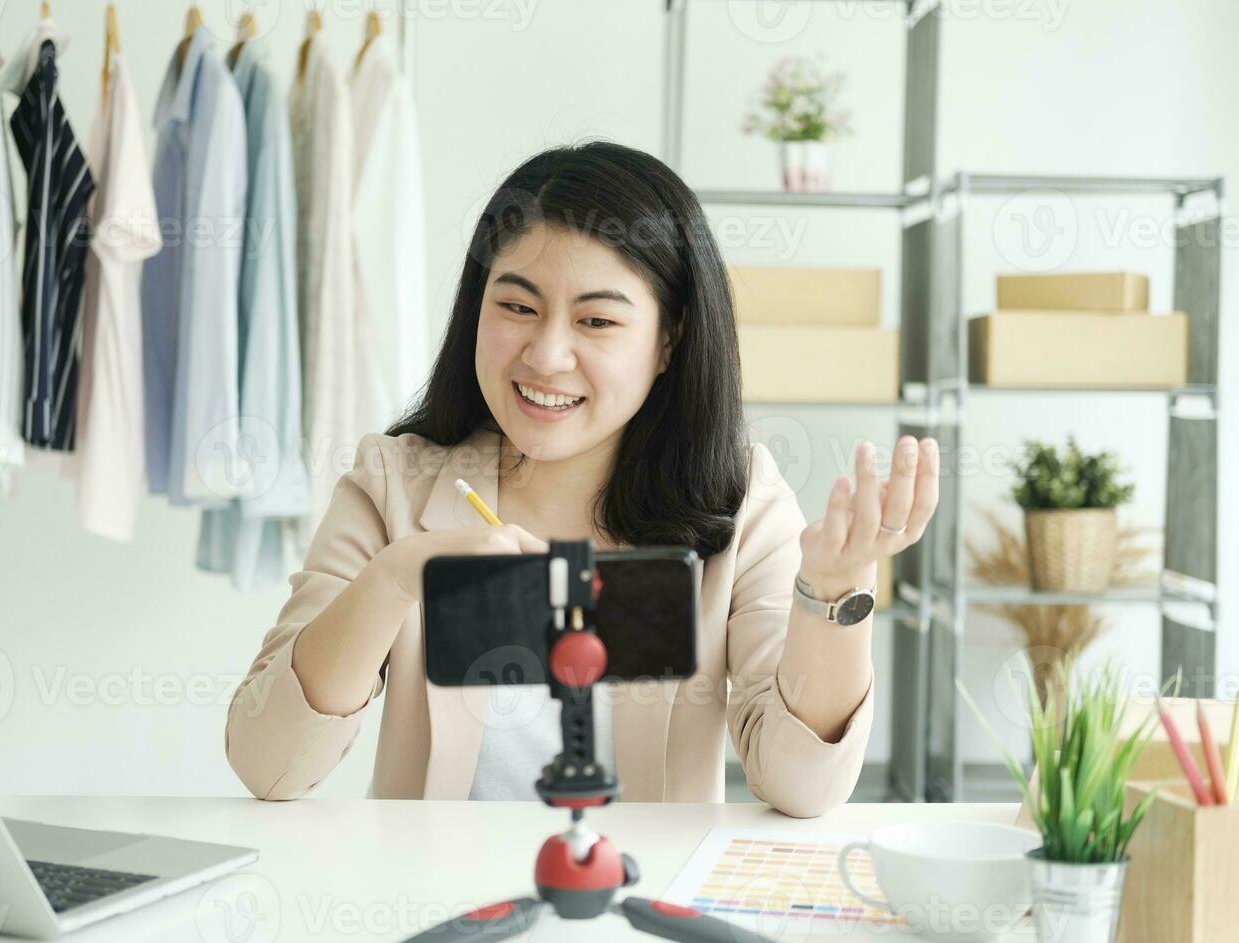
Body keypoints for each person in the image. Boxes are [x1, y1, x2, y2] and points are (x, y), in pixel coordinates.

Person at [225, 141, 940, 817]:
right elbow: (270, 763)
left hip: (643, 911)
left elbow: (802, 786)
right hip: (437, 907)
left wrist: (834, 596)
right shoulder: (393, 484)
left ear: (669, 341)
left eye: (596, 321)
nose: (546, 354)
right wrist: (392, 579)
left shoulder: (739, 500)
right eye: (516, 307)